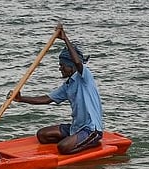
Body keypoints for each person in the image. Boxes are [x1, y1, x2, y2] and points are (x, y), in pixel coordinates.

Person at [12, 26, 104, 155]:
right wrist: (21, 99)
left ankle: (91, 143)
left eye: (62, 65)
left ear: (71, 66)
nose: (60, 68)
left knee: (63, 148)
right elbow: (47, 99)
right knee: (42, 135)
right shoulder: (67, 86)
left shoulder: (84, 77)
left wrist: (65, 38)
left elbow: (78, 62)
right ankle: (76, 140)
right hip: (76, 128)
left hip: (91, 129)